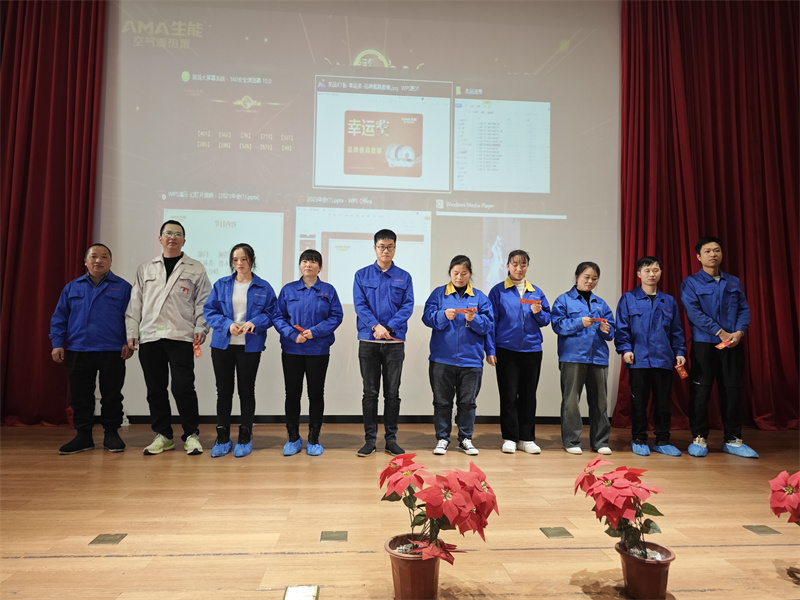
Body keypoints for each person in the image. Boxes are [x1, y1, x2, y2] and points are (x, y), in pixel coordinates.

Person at [125, 220, 212, 456]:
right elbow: (135, 303)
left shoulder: (195, 268)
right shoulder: (146, 268)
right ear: (160, 238)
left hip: (181, 335)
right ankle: (163, 435)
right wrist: (132, 331)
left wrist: (201, 328)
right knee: (155, 389)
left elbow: (204, 302)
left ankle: (191, 435)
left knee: (183, 387)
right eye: (168, 233)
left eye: (177, 234)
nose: (172, 237)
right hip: (150, 336)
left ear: (184, 240)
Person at [49, 244, 133, 454]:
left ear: (110, 262)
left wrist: (129, 342)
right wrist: (57, 343)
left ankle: (111, 433)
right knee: (81, 396)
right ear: (85, 261)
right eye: (93, 256)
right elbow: (59, 318)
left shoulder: (123, 288)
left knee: (112, 395)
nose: (98, 260)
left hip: (112, 350)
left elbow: (132, 318)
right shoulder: (72, 288)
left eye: (104, 257)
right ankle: (83, 435)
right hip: (79, 349)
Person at [680, 236, 756, 458]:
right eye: (707, 251)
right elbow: (693, 312)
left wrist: (739, 331)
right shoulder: (691, 283)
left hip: (732, 344)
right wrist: (718, 331)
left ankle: (732, 439)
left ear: (721, 254)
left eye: (716, 250)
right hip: (705, 343)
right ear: (698, 256)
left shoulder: (733, 282)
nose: (713, 254)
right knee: (701, 391)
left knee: (732, 391)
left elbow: (744, 309)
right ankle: (699, 438)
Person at [203, 243, 276, 458]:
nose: (239, 263)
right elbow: (210, 310)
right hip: (222, 345)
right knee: (223, 391)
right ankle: (222, 437)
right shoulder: (221, 284)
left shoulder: (263, 286)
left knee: (246, 391)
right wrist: (227, 324)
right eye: (235, 260)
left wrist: (256, 322)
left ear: (252, 260)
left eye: (244, 259)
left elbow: (272, 313)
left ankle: (245, 436)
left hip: (250, 346)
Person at [273, 249, 343, 456]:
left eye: (313, 262)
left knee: (316, 394)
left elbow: (336, 316)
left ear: (320, 267)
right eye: (304, 261)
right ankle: (293, 437)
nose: (308, 265)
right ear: (300, 265)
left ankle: (314, 438)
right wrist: (292, 335)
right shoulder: (288, 290)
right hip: (292, 349)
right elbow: (278, 316)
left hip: (318, 350)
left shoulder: (328, 290)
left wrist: (316, 332)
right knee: (292, 394)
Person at [422, 255, 494, 456]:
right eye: (455, 273)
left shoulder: (480, 297)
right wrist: (442, 315)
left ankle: (465, 438)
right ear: (450, 273)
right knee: (441, 402)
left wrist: (475, 319)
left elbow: (489, 325)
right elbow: (426, 317)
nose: (459, 277)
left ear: (470, 274)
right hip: (441, 358)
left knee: (468, 403)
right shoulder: (439, 294)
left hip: (471, 360)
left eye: (464, 273)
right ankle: (442, 438)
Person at [615, 256, 686, 457]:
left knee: (663, 403)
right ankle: (639, 439)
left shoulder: (669, 301)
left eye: (655, 270)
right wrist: (625, 349)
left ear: (660, 273)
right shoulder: (628, 299)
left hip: (663, 359)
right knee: (639, 403)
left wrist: (680, 352)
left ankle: (662, 440)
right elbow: (622, 327)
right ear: (639, 274)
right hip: (638, 360)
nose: (651, 274)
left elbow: (676, 330)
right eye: (647, 270)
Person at [353, 229, 414, 457]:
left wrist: (388, 328)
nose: (385, 250)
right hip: (368, 340)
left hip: (394, 342)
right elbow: (360, 305)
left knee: (392, 393)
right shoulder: (361, 275)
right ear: (375, 248)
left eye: (390, 246)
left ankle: (391, 440)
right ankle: (370, 440)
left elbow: (407, 306)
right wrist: (375, 326)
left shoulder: (404, 277)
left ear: (395, 248)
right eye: (381, 246)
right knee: (370, 393)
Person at [487, 250, 551, 454]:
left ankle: (527, 438)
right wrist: (490, 349)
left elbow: (546, 320)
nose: (519, 268)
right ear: (507, 266)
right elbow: (491, 322)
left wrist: (539, 313)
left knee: (528, 395)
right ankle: (510, 437)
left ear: (527, 267)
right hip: (506, 349)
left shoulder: (536, 292)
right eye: (515, 264)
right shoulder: (498, 291)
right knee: (508, 395)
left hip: (532, 350)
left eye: (523, 265)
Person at [551, 261, 615, 455]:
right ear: (577, 276)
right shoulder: (563, 300)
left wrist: (606, 329)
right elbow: (558, 325)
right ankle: (571, 441)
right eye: (586, 277)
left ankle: (600, 442)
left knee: (600, 402)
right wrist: (580, 323)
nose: (590, 281)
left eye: (594, 278)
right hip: (572, 356)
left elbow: (611, 333)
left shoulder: (601, 303)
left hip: (598, 357)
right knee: (571, 401)